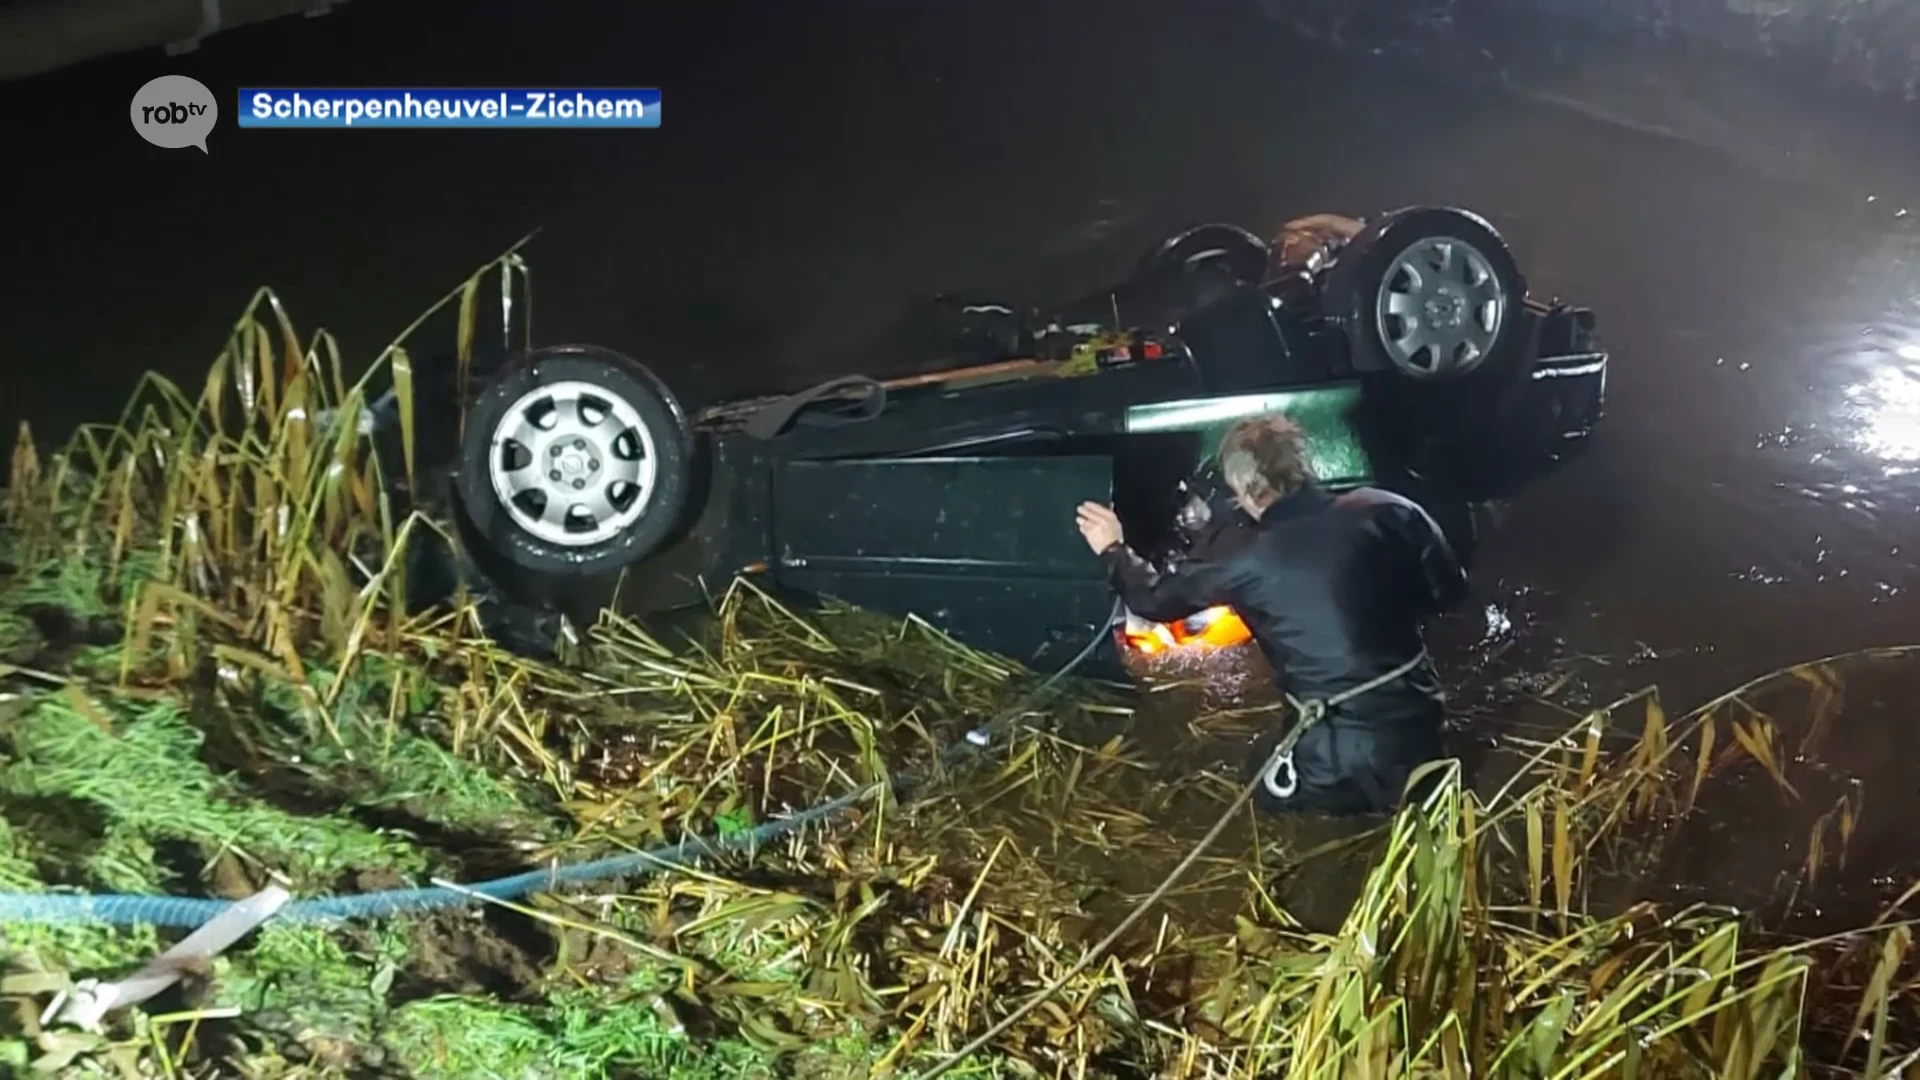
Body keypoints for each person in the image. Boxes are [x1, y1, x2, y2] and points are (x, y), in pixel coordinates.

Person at [1073, 414, 1467, 817]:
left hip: (1332, 757)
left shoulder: (1242, 558)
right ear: (1304, 466)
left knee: (1258, 784)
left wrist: (1113, 550)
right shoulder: (1390, 509)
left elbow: (1153, 601)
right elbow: (1450, 595)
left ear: (1244, 489)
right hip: (1423, 733)